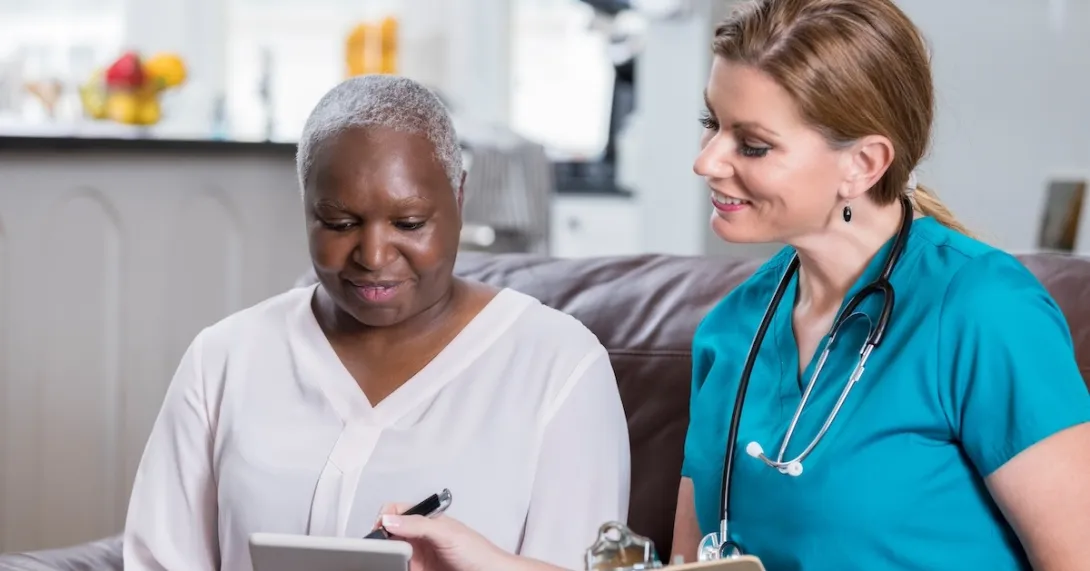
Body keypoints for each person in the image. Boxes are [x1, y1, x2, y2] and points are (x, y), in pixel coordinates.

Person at [355, 1, 1090, 570]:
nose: (707, 161)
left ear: (863, 164)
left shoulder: (986, 313)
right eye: (713, 125)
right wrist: (490, 560)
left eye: (752, 143)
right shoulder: (735, 330)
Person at [121, 74, 631, 571]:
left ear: (458, 198)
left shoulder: (559, 366)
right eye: (340, 224)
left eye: (409, 223)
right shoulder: (225, 357)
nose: (373, 254)